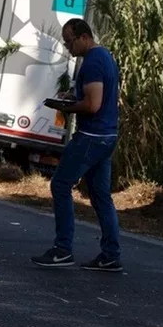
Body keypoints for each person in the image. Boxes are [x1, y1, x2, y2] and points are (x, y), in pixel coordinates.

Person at [32, 18, 123, 272]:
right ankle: (111, 254)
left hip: (91, 137)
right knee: (100, 196)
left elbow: (93, 105)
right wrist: (74, 97)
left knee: (60, 184)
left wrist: (67, 107)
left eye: (69, 41)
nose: (67, 47)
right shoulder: (105, 57)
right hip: (106, 136)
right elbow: (98, 97)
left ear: (84, 37)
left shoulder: (93, 61)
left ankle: (63, 249)